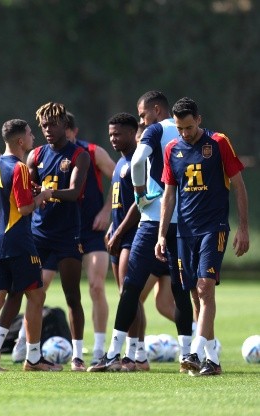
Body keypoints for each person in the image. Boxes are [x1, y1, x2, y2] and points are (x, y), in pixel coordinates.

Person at [89, 91, 194, 372]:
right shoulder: (193, 132)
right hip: (182, 221)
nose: (141, 120)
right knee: (180, 290)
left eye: (143, 114)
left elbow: (137, 163)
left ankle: (112, 354)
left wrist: (139, 193)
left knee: (131, 288)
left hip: (152, 220)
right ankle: (188, 356)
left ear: (157, 110)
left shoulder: (156, 130)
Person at [157, 97, 248, 376]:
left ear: (199, 119)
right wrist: (162, 235)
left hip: (214, 227)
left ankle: (194, 352)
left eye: (188, 127)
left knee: (205, 287)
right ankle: (213, 360)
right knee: (197, 296)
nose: (184, 133)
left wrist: (243, 227)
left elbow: (239, 186)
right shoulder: (172, 149)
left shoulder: (219, 143)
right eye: (179, 128)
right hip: (185, 231)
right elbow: (169, 195)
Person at [0, 118, 60, 372]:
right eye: (31, 134)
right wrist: (43, 195)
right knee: (36, 295)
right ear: (21, 140)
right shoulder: (20, 167)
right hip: (17, 241)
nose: (34, 137)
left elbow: (8, 201)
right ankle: (33, 358)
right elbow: (23, 209)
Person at [25, 102, 90, 371]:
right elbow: (27, 189)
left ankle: (77, 355)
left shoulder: (79, 155)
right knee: (31, 294)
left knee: (72, 295)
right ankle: (32, 353)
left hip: (67, 234)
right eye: (43, 126)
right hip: (38, 233)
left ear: (65, 124)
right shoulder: (35, 155)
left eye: (53, 124)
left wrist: (49, 192)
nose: (48, 130)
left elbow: (74, 192)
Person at [65, 112, 115, 363]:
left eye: (65, 130)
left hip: (93, 231)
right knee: (39, 285)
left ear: (73, 131)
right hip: (63, 232)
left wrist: (107, 211)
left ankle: (98, 347)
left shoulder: (93, 152)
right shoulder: (45, 155)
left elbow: (120, 180)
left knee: (96, 286)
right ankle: (27, 345)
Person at [103, 113, 149, 371]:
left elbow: (139, 203)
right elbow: (119, 202)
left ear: (133, 133)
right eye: (110, 134)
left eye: (118, 134)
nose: (113, 138)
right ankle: (139, 355)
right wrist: (112, 226)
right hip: (118, 234)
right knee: (128, 296)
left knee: (128, 295)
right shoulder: (120, 163)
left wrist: (119, 231)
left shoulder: (138, 162)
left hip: (132, 235)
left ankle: (133, 356)